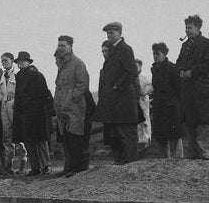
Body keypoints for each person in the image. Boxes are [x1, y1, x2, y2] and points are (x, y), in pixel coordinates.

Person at [94, 22, 140, 165]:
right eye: (108, 33)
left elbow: (131, 71)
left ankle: (130, 164)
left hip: (123, 101)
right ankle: (120, 162)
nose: (109, 35)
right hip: (113, 102)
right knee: (116, 135)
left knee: (126, 134)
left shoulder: (125, 49)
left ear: (119, 33)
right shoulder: (113, 50)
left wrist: (116, 86)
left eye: (112, 32)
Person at [175, 15, 209, 159]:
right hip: (188, 92)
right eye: (186, 27)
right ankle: (192, 157)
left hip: (201, 91)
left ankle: (206, 156)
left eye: (190, 27)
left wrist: (193, 72)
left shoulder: (207, 44)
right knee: (190, 124)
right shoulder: (185, 45)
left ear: (198, 28)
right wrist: (180, 71)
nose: (187, 30)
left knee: (204, 124)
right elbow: (179, 62)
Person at [53, 36, 90, 176]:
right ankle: (68, 168)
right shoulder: (62, 64)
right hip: (62, 106)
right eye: (59, 45)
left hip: (74, 107)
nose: (60, 48)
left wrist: (71, 98)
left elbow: (82, 85)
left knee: (75, 138)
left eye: (63, 45)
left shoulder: (78, 63)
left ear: (70, 46)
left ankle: (78, 170)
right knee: (66, 139)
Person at [13, 51, 53, 175]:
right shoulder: (19, 76)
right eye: (18, 62)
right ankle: (35, 167)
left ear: (28, 62)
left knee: (40, 140)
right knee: (29, 140)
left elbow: (43, 94)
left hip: (37, 112)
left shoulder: (36, 75)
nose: (20, 63)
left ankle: (45, 166)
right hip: (25, 113)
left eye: (22, 61)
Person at [149, 42, 183, 158]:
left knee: (175, 137)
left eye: (157, 54)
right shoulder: (154, 70)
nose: (155, 56)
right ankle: (164, 162)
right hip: (159, 107)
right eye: (154, 54)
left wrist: (176, 104)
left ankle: (178, 161)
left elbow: (178, 88)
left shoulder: (173, 68)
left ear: (164, 54)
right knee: (161, 138)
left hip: (171, 108)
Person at [0, 52, 26, 174]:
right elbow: (0, 91)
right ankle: (8, 166)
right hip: (4, 105)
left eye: (6, 60)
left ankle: (22, 164)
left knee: (18, 135)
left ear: (11, 60)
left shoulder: (17, 74)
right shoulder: (3, 75)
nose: (4, 63)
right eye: (2, 61)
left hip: (15, 104)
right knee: (7, 135)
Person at [135, 59, 153, 151]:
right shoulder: (133, 77)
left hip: (143, 100)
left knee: (145, 120)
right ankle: (140, 140)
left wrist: (142, 92)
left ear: (140, 67)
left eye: (137, 66)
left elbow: (150, 89)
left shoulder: (144, 77)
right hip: (136, 101)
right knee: (139, 121)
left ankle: (147, 139)